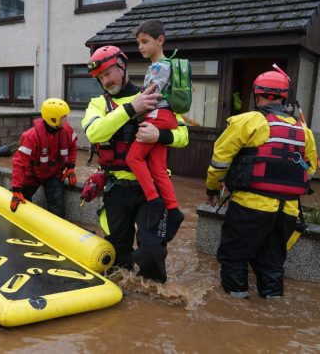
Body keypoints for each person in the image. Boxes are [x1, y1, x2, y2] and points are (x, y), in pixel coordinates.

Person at [206, 68, 317, 298]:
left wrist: (212, 189)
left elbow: (219, 161)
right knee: (271, 264)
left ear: (257, 96)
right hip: (288, 210)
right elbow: (309, 170)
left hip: (249, 206)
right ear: (283, 97)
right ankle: (272, 304)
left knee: (234, 257)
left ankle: (235, 309)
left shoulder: (247, 121)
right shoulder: (304, 131)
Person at [82, 45, 189, 282]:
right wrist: (133, 108)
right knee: (118, 254)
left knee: (152, 250)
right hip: (116, 189)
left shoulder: (154, 93)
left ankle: (154, 296)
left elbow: (183, 136)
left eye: (109, 73)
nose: (106, 80)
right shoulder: (98, 104)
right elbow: (94, 133)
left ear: (122, 66)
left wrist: (159, 136)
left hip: (150, 189)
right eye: (100, 77)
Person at [126, 19, 184, 240]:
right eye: (138, 42)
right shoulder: (159, 65)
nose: (140, 47)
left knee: (134, 158)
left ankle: (154, 201)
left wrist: (134, 109)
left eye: (144, 41)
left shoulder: (160, 66)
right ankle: (174, 210)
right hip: (166, 117)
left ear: (160, 40)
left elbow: (152, 93)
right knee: (158, 167)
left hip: (158, 116)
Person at [10, 98, 78, 218]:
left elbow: (72, 146)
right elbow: (19, 163)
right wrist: (16, 189)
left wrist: (71, 167)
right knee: (20, 203)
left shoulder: (66, 130)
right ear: (54, 119)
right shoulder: (31, 136)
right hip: (32, 174)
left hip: (54, 174)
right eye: (64, 117)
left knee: (57, 208)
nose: (66, 119)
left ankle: (56, 229)